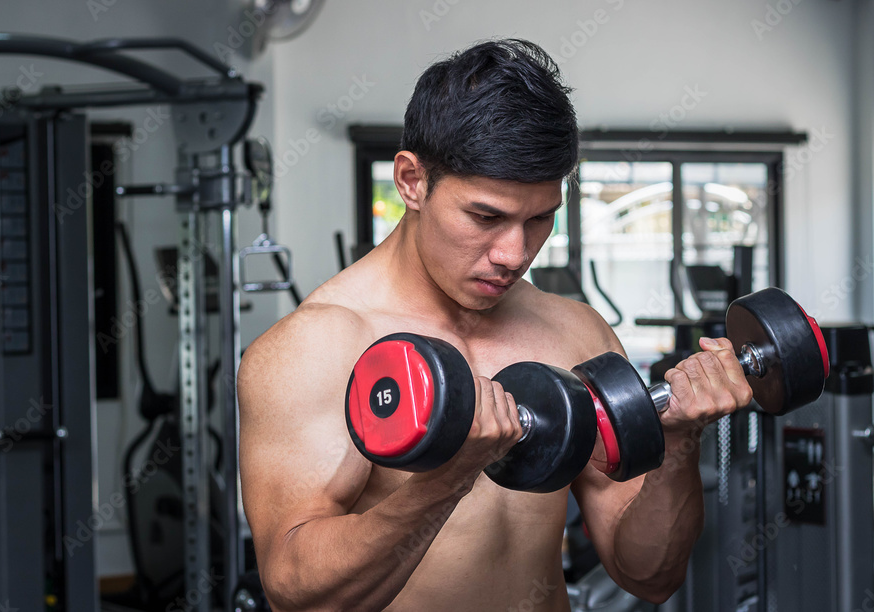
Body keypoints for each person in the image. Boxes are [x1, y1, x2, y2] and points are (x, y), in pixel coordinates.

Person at [237, 38, 752, 612]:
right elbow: (299, 594)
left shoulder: (576, 333)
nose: (515, 254)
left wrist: (679, 443)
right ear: (410, 180)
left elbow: (648, 576)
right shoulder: (314, 349)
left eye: (540, 219)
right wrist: (449, 478)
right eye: (486, 216)